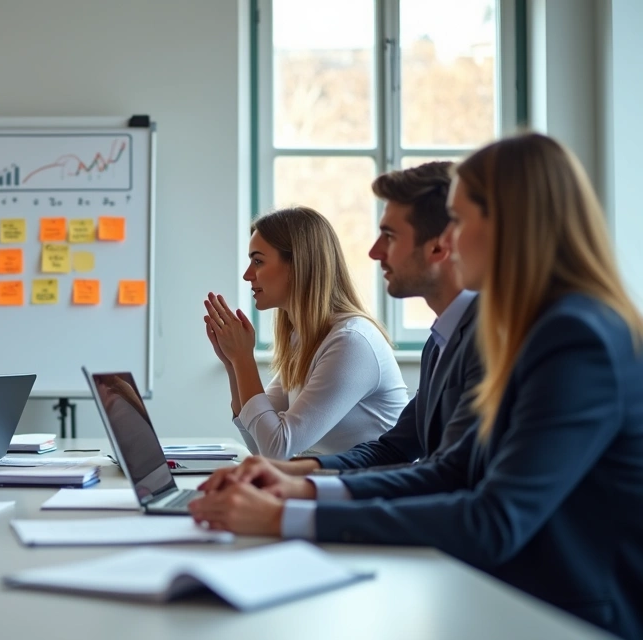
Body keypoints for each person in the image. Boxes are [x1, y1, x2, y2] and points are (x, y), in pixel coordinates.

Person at [189, 133, 643, 639]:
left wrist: (287, 518)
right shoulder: (525, 330)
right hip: (509, 595)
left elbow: (494, 518)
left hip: (563, 616)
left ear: (509, 226)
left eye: (462, 220)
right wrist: (303, 488)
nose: (451, 240)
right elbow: (448, 469)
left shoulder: (573, 337)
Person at [268, 162, 481, 476]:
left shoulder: (490, 338)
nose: (374, 251)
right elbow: (394, 448)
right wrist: (298, 474)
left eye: (389, 236)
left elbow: (449, 477)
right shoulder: (439, 342)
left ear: (438, 246)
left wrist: (304, 496)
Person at [204, 207, 408, 460]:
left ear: (298, 265)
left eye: (258, 261)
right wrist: (233, 364)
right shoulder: (303, 338)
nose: (247, 275)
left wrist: (244, 359)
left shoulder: (350, 341)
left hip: (375, 493)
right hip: (336, 487)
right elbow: (259, 445)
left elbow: (278, 449)